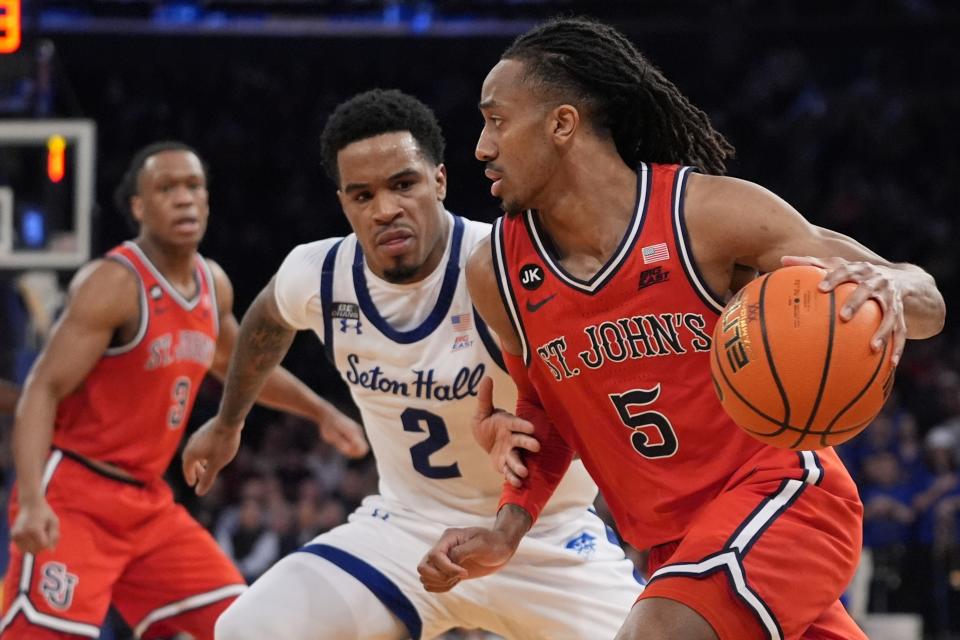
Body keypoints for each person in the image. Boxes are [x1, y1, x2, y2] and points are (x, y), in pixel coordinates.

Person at [418, 16, 946, 640]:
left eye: (497, 120)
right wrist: (506, 530)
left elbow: (927, 304)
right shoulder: (497, 273)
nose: (481, 146)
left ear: (562, 124)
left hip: (782, 499)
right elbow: (545, 411)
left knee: (657, 633)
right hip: (674, 548)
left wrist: (893, 288)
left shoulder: (707, 216)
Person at [182, 89, 642, 640]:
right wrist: (229, 422)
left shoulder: (503, 267)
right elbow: (267, 318)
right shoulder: (321, 273)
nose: (385, 209)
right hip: (403, 532)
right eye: (363, 195)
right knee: (246, 631)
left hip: (542, 537)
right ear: (344, 203)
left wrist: (535, 430)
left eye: (404, 184)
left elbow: (595, 396)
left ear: (440, 181)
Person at [0, 141, 368, 639]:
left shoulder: (211, 283)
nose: (184, 198)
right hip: (75, 497)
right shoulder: (114, 283)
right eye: (166, 188)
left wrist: (322, 412)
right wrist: (32, 499)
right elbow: (42, 389)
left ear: (208, 200)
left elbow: (245, 366)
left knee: (245, 625)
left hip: (148, 505)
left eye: (194, 186)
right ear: (139, 207)